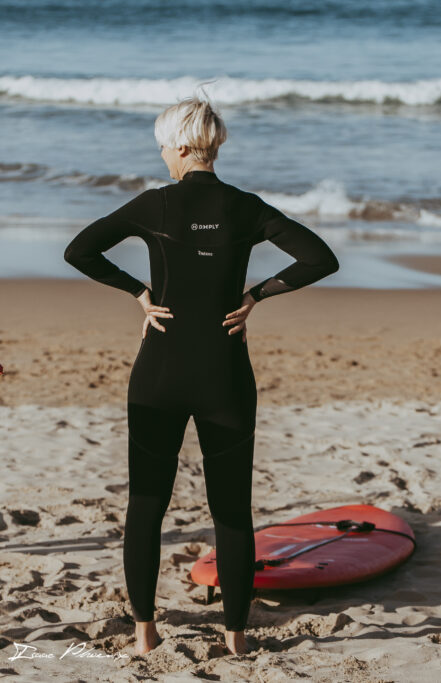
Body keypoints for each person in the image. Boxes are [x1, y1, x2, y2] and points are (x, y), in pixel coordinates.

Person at [64, 95, 340, 655]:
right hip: (225, 373)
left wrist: (139, 294)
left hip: (159, 372)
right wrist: (256, 295)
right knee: (232, 511)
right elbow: (318, 258)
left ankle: (145, 634)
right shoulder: (245, 207)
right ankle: (236, 639)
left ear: (184, 146)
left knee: (146, 502)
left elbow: (80, 251)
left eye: (165, 146)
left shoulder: (155, 204)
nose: (163, 156)